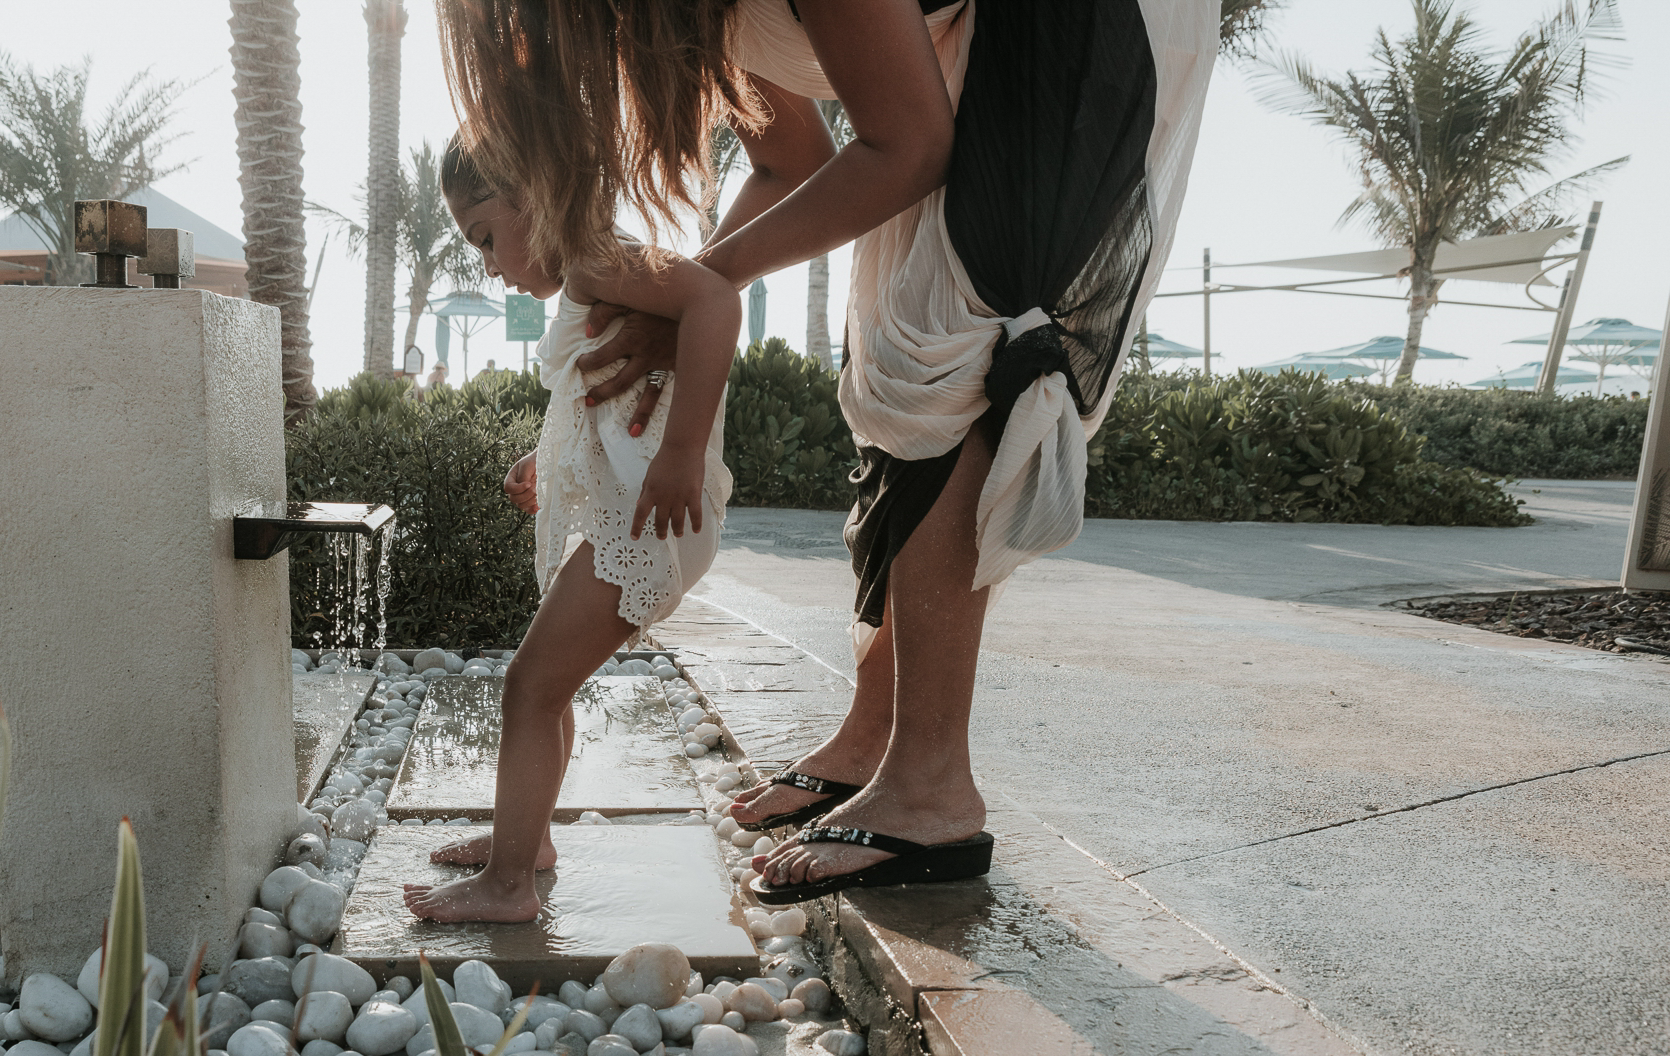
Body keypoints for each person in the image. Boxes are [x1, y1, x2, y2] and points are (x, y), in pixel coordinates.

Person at [438, 0, 1217, 904]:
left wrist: (693, 299)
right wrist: (679, 303)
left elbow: (909, 142)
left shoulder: (595, 247)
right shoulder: (678, 19)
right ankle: (872, 739)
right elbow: (792, 158)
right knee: (890, 354)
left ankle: (928, 784)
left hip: (1060, 33)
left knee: (946, 349)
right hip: (954, 57)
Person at [402, 135, 741, 924]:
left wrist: (686, 450)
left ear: (537, 193)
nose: (489, 263)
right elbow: (606, 397)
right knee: (545, 687)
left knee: (530, 686)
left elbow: (716, 303)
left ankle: (509, 883)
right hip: (638, 520)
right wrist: (542, 459)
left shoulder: (593, 260)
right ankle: (527, 842)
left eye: (487, 236)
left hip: (654, 523)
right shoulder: (589, 275)